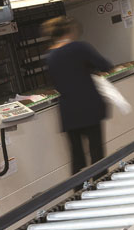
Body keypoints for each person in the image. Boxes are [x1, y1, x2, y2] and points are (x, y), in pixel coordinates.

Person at [43, 16, 114, 173]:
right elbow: (105, 65)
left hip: (69, 112)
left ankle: (80, 191)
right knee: (97, 155)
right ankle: (101, 186)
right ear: (69, 30)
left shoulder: (50, 56)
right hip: (89, 107)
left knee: (77, 158)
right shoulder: (80, 48)